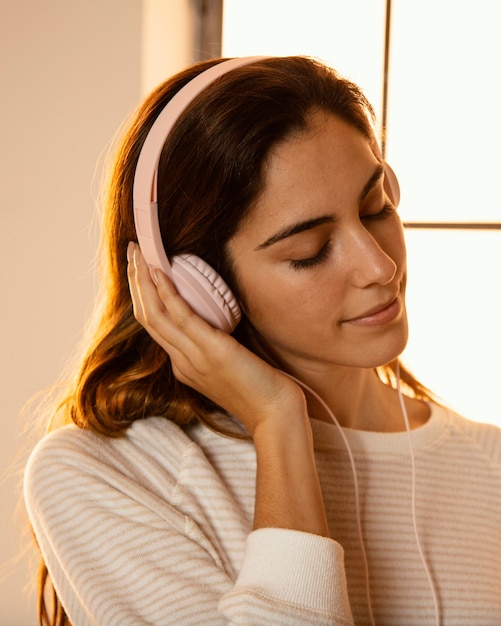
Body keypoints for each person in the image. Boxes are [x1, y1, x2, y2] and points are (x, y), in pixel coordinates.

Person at [24, 55, 501, 626]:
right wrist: (279, 424)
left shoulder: (491, 465)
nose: (379, 266)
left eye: (377, 208)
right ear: (197, 285)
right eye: (310, 251)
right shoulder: (108, 476)